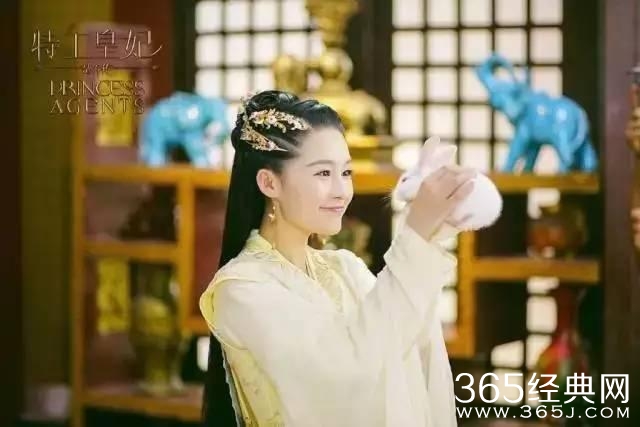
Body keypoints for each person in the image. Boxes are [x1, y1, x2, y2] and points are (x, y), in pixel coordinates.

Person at [199, 90, 477, 426]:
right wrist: (415, 237)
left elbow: (405, 345)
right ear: (269, 183)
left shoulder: (345, 267)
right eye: (322, 174)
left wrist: (430, 232)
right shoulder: (240, 290)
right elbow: (347, 381)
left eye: (346, 173)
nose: (341, 191)